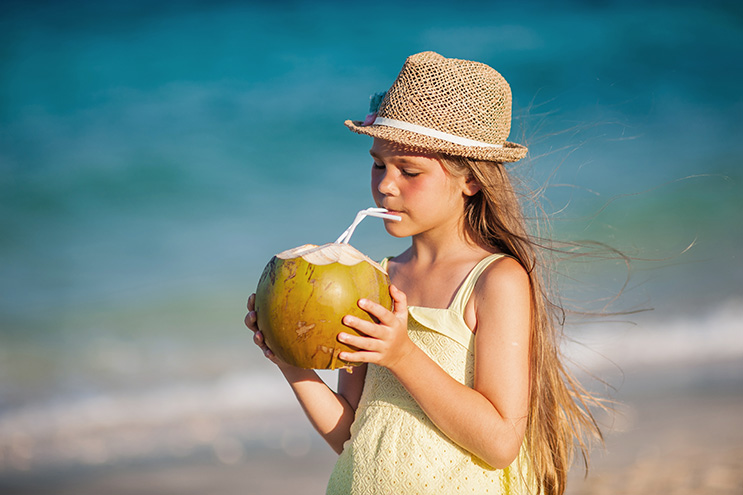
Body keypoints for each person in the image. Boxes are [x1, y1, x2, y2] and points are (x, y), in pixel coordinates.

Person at [245, 51, 603, 495]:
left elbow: (500, 443)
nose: (385, 184)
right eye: (378, 163)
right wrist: (288, 360)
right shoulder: (374, 279)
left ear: (470, 180)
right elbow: (350, 435)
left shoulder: (496, 281)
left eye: (408, 170)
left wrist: (402, 355)